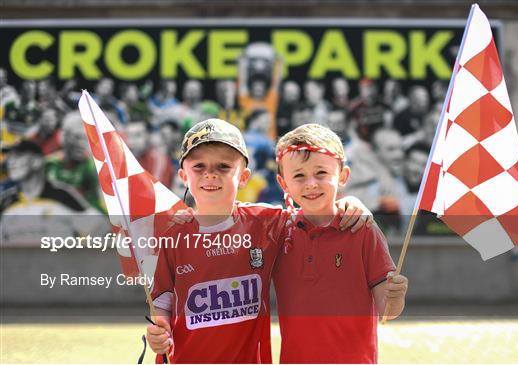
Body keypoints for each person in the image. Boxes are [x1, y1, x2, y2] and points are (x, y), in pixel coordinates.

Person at [145, 119, 370, 363]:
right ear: (183, 176)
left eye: (223, 166)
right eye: (199, 166)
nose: (210, 174)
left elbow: (314, 212)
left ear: (243, 177)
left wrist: (349, 203)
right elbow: (162, 299)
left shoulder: (266, 223)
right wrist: (159, 329)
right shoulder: (174, 235)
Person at [273, 123, 408, 363]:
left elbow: (388, 311)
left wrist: (395, 296)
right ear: (284, 184)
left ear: (343, 176)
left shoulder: (363, 229)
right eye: (299, 176)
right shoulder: (277, 232)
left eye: (321, 173)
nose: (311, 184)